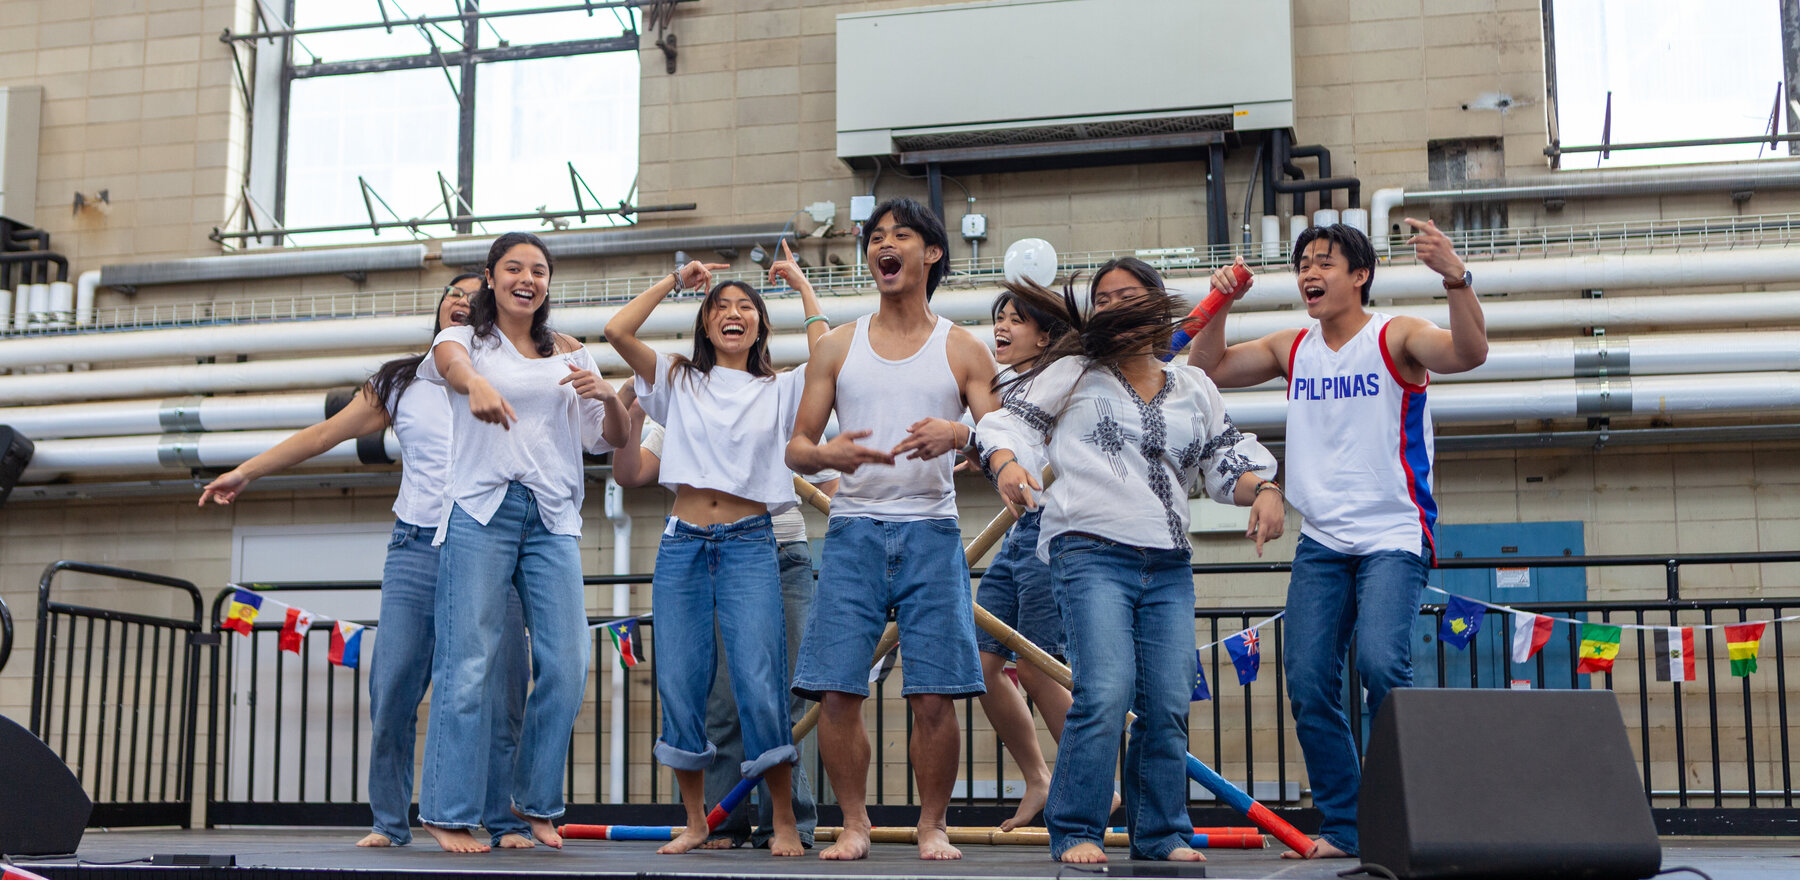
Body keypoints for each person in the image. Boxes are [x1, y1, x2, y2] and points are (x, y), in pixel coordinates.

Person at [1186, 220, 1488, 859]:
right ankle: (1348, 828)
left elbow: (1468, 353)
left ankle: (1406, 815)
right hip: (1322, 538)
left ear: (1361, 275)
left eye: (1325, 263)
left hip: (1393, 532)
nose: (1310, 275)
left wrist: (1455, 277)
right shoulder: (1294, 346)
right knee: (1308, 681)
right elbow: (1205, 369)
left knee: (1383, 665)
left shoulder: (1395, 335)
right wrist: (1221, 306)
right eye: (1302, 266)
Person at [199, 277, 532, 850]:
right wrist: (246, 471)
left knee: (501, 694)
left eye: (474, 294)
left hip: (489, 545)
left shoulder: (516, 368)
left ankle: (504, 821)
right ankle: (388, 821)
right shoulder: (400, 380)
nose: (460, 299)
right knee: (394, 685)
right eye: (452, 291)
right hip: (416, 546)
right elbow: (326, 433)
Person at [976, 257, 1284, 864]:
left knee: (1167, 700)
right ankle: (1078, 829)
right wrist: (1008, 463)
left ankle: (1161, 833)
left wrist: (1266, 490)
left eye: (1128, 295)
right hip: (1088, 551)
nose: (1115, 306)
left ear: (1157, 303)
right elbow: (1007, 422)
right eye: (1105, 299)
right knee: (1107, 689)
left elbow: (1225, 462)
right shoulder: (1071, 372)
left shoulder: (1193, 386)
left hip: (1168, 562)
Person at [785, 197, 1000, 862]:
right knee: (837, 688)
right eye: (876, 236)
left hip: (932, 534)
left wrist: (961, 431)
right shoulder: (838, 345)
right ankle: (855, 823)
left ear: (930, 253)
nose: (885, 244)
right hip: (851, 532)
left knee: (936, 694)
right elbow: (797, 447)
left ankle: (932, 825)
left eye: (899, 234)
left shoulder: (962, 346)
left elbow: (1002, 435)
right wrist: (830, 457)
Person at [602, 243, 829, 857]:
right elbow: (616, 329)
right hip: (682, 545)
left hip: (752, 543)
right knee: (681, 682)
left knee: (760, 683)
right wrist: (676, 278)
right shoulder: (678, 378)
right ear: (705, 323)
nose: (733, 313)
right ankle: (700, 821)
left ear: (759, 325)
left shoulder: (782, 391)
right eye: (720, 306)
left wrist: (801, 284)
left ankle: (784, 819)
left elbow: (828, 354)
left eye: (745, 307)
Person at [417, 232, 628, 853]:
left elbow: (609, 440)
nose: (527, 278)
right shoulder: (466, 339)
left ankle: (532, 803)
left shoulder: (571, 354)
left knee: (569, 663)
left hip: (552, 515)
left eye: (538, 270)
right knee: (469, 663)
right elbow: (450, 367)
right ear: (490, 276)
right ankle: (446, 811)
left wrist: (610, 398)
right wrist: (476, 386)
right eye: (514, 268)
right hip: (482, 509)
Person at [969, 291, 1077, 832]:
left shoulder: (1067, 379)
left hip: (1056, 529)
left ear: (1047, 335)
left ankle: (1092, 783)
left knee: (1038, 664)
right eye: (999, 320)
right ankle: (1039, 779)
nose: (1003, 328)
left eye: (1017, 320)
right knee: (982, 663)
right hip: (1017, 529)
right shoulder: (1004, 390)